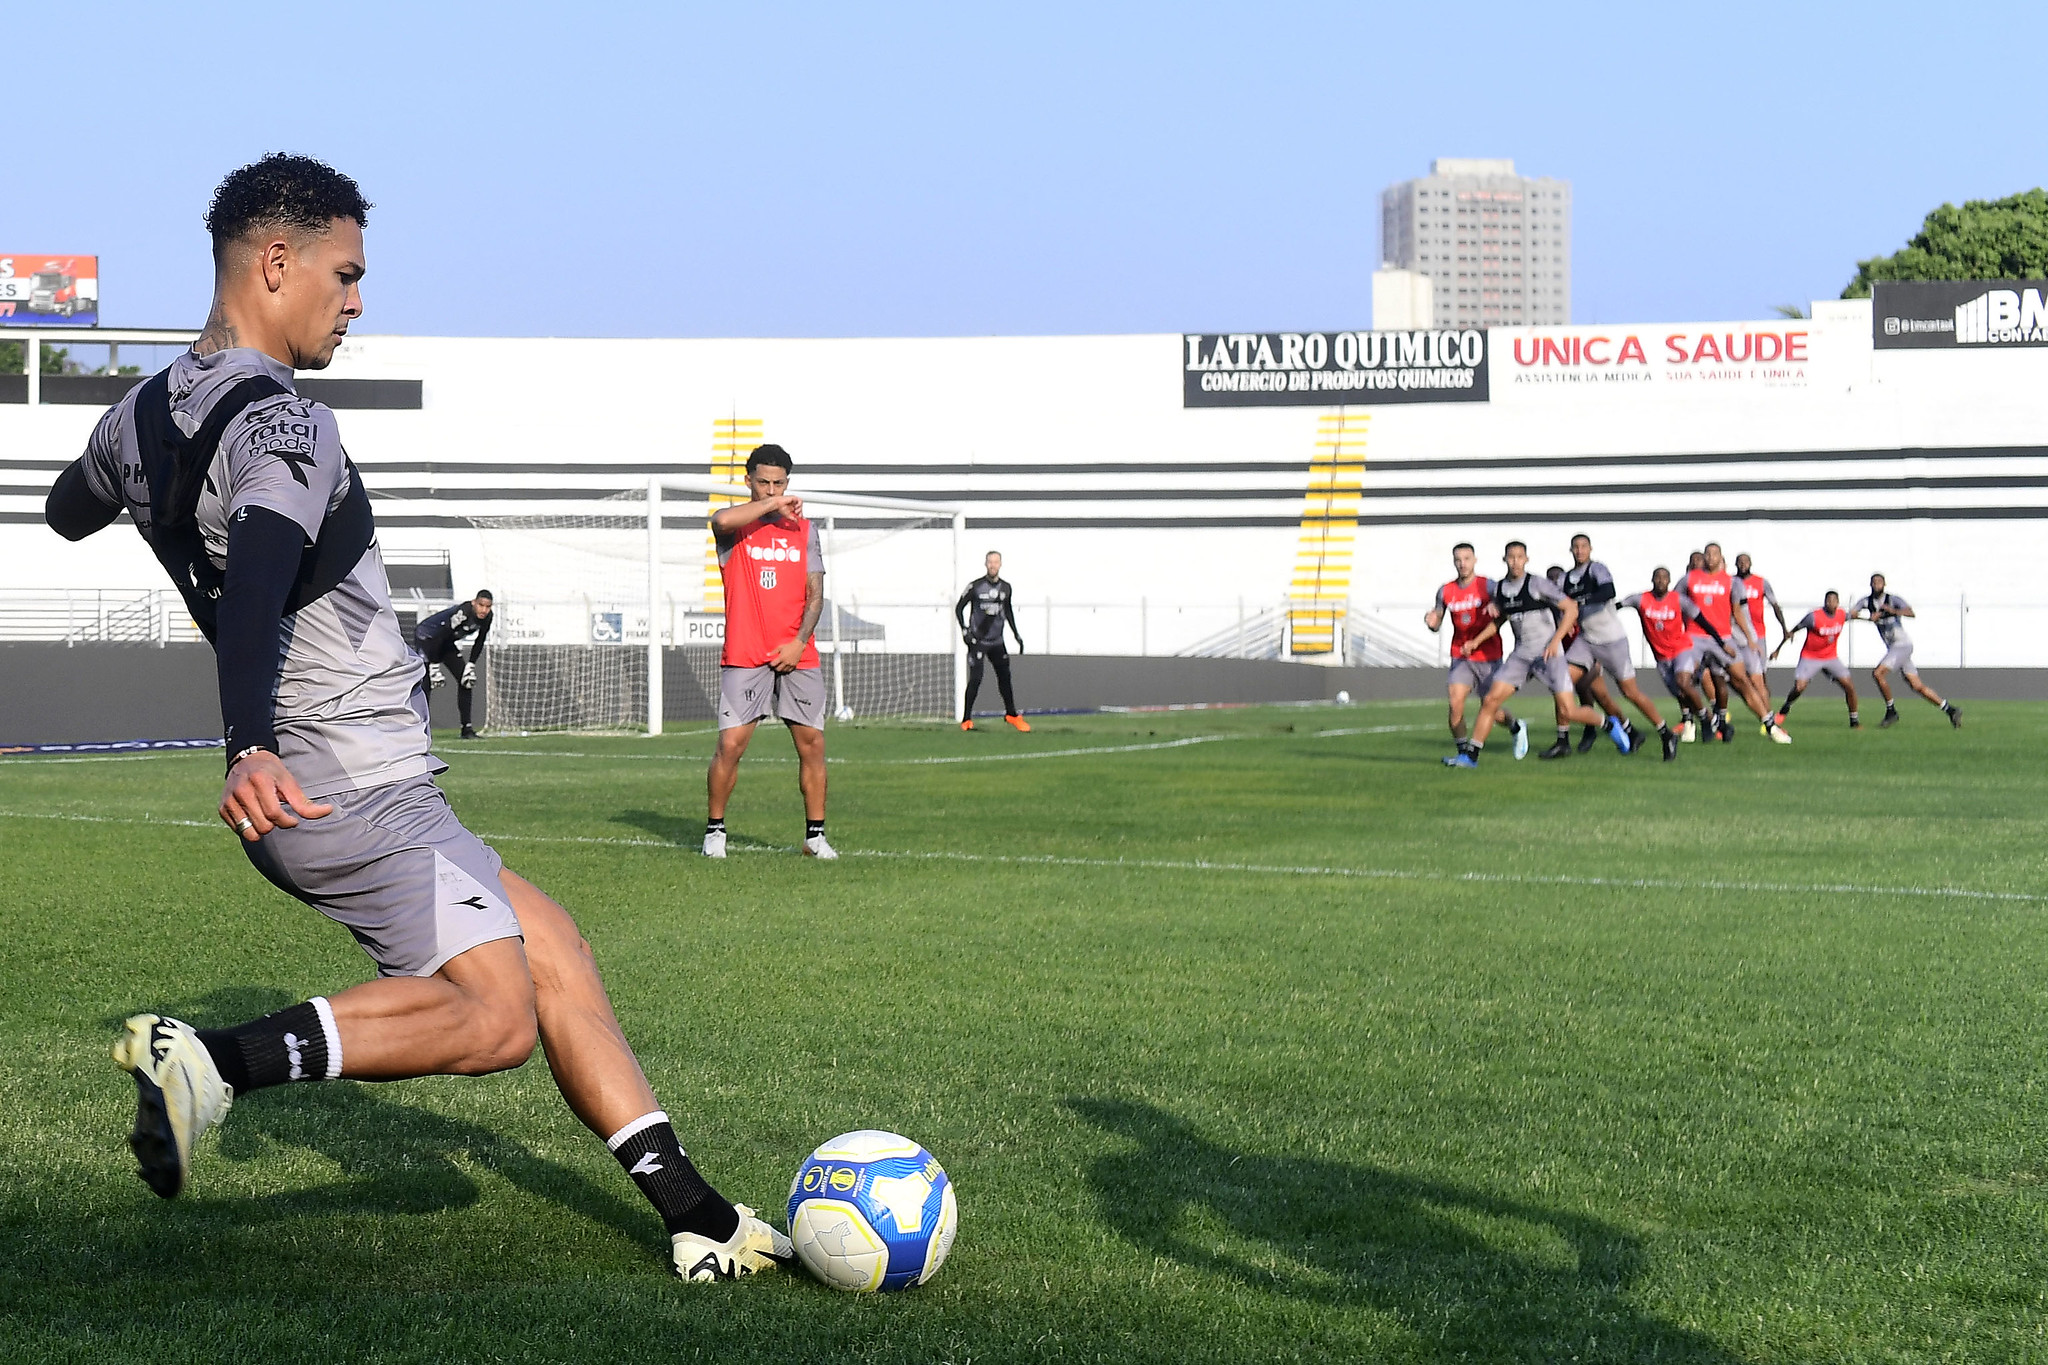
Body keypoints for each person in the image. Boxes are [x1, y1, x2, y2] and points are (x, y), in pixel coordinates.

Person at [41, 154, 790, 1281]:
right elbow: (254, 583)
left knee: (554, 952)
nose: (356, 299)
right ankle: (213, 1062)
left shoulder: (137, 417)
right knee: (494, 1021)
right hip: (347, 782)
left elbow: (66, 510)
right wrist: (247, 742)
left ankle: (696, 1213)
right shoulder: (290, 424)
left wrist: (147, 482)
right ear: (276, 262)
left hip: (346, 784)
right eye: (344, 274)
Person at [703, 443, 836, 858]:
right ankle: (715, 831)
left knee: (812, 744)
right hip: (746, 653)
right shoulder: (736, 526)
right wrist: (772, 506)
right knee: (731, 746)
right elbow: (720, 518)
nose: (771, 489)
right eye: (763, 482)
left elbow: (815, 595)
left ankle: (815, 837)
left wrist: (798, 643)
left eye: (779, 484)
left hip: (798, 654)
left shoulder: (806, 530)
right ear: (749, 481)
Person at [1443, 540, 1624, 767]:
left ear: (1526, 559)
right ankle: (1470, 756)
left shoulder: (1538, 584)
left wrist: (1556, 640)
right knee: (1490, 700)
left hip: (1549, 654)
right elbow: (1498, 621)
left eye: (1520, 557)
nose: (1515, 562)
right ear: (1505, 559)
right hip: (1521, 656)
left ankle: (1608, 724)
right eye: (1511, 557)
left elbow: (1571, 609)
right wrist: (1475, 641)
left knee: (1569, 711)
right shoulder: (1501, 588)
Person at [1561, 535, 1681, 761]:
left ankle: (1665, 733)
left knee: (1630, 692)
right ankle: (1573, 737)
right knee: (1563, 681)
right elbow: (1559, 601)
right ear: (1571, 550)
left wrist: (1580, 602)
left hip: (1612, 641)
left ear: (1590, 549)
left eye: (1583, 546)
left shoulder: (1597, 570)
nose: (1579, 551)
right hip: (1586, 642)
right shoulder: (1567, 578)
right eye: (1575, 547)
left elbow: (1608, 592)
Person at [1423, 542, 1527, 759]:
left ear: (1475, 560)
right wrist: (1431, 622)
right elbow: (1437, 620)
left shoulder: (1488, 586)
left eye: (1466, 559)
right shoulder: (1446, 591)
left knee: (1491, 709)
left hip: (1488, 656)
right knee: (1455, 702)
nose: (1462, 564)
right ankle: (1462, 753)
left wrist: (1497, 607)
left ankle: (1516, 726)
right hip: (1460, 655)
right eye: (1458, 560)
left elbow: (1504, 612)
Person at [1682, 543, 1787, 743]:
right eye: (1708, 554)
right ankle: (1693, 722)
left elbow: (1738, 612)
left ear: (1722, 558)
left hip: (1723, 640)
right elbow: (1675, 602)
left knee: (1742, 682)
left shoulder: (1731, 583)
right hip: (1695, 638)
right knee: (1684, 680)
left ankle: (1770, 726)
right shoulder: (1690, 579)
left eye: (1715, 554)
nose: (1711, 558)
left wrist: (1749, 638)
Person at [1621, 567, 1723, 745]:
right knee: (1681, 695)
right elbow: (1618, 606)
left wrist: (1721, 643)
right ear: (1652, 580)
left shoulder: (1679, 600)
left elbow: (1702, 621)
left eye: (1664, 578)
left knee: (1684, 682)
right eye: (1658, 578)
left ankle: (1704, 720)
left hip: (1681, 649)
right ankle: (1707, 718)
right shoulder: (1641, 599)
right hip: (1661, 657)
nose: (1661, 581)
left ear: (1669, 582)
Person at [1852, 574, 1962, 729]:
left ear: (1884, 584)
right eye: (1874, 582)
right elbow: (1852, 613)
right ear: (1870, 584)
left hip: (1902, 645)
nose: (1877, 584)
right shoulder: (1866, 601)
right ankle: (1951, 710)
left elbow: (1911, 612)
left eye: (1879, 582)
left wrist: (1893, 611)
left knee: (1878, 673)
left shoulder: (1892, 599)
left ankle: (1891, 711)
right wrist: (1867, 616)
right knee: (1917, 686)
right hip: (1895, 648)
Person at [956, 550, 1030, 732]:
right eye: (990, 562)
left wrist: (1016, 634)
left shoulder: (1006, 588)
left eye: (996, 562)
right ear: (985, 564)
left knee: (1005, 678)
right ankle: (966, 719)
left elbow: (1009, 612)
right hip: (978, 641)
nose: (993, 565)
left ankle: (1012, 715)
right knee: (975, 679)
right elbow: (959, 608)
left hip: (997, 641)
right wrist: (965, 631)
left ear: (1000, 564)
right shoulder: (976, 586)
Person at [1770, 591, 1860, 727]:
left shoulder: (1842, 615)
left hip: (1830, 657)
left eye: (1834, 601)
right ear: (1825, 602)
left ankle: (1854, 721)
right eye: (1828, 601)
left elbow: (1852, 616)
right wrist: (1778, 650)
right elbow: (1792, 631)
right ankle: (1786, 707)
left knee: (1849, 686)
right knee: (1799, 687)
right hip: (1810, 657)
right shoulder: (1813, 617)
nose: (1831, 603)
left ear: (1838, 603)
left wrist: (1871, 618)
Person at [414, 589, 493, 739]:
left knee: (466, 680)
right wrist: (434, 665)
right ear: (474, 603)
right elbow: (441, 633)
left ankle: (467, 729)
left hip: (446, 642)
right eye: (481, 605)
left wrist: (471, 664)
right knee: (426, 684)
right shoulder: (463, 612)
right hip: (427, 638)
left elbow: (480, 640)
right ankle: (420, 729)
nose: (484, 610)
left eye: (488, 606)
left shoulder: (488, 617)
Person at [1732, 553, 1789, 736]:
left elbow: (1775, 605)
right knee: (1735, 678)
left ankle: (1768, 719)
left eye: (1746, 562)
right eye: (1740, 562)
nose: (1743, 565)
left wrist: (1784, 628)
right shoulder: (1730, 583)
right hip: (1733, 636)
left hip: (1758, 637)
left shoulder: (1761, 582)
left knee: (1759, 679)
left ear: (1750, 564)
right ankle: (1721, 718)